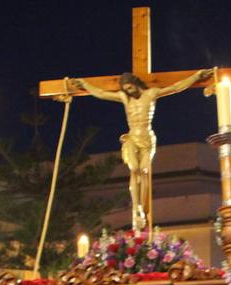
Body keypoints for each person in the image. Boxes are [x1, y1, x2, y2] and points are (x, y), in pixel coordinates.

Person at [72, 68, 214, 229]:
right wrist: (84, 84)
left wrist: (195, 76)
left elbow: (175, 87)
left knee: (144, 171)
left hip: (147, 139)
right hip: (132, 138)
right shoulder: (124, 98)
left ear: (135, 83)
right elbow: (101, 93)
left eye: (130, 88)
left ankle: (143, 206)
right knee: (134, 170)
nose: (129, 92)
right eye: (126, 90)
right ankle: (136, 208)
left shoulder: (151, 94)